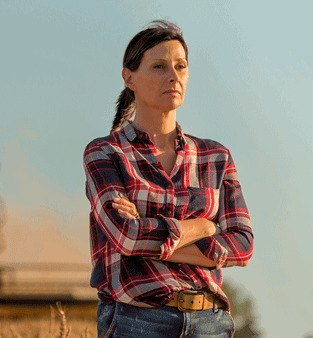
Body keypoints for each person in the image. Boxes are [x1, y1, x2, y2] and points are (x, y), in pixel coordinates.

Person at [83, 20, 253, 337]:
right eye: (159, 66)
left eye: (180, 66)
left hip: (210, 322)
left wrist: (150, 232)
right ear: (129, 77)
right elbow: (127, 237)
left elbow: (243, 246)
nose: (173, 76)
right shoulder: (106, 153)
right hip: (138, 320)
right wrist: (202, 227)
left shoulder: (216, 157)